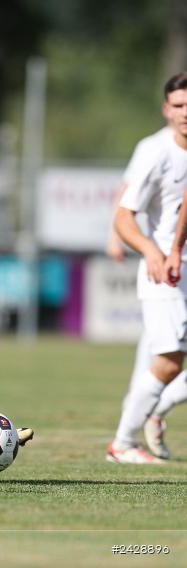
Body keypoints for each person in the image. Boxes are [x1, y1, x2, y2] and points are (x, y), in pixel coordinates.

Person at [107, 72, 187, 464]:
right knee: (169, 359)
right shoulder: (156, 151)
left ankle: (154, 410)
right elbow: (126, 212)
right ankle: (123, 442)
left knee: (162, 363)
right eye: (179, 106)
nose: (185, 113)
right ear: (166, 109)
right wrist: (152, 250)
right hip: (165, 273)